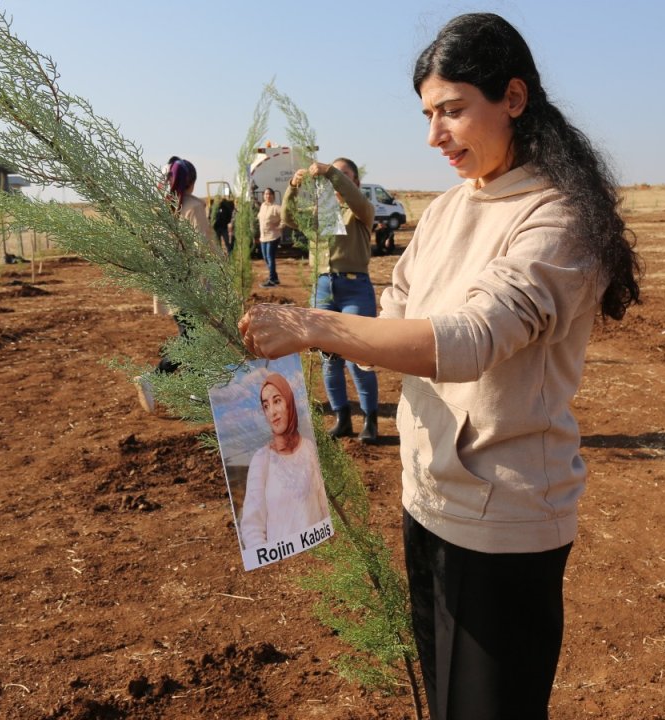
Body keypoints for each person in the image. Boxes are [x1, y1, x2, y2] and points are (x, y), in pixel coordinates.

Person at [239, 12, 641, 719]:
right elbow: (397, 319)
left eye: (453, 110)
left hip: (503, 522)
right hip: (428, 501)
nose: (435, 135)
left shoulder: (556, 217)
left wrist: (312, 325)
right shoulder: (450, 209)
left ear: (513, 98)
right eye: (428, 114)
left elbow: (470, 338)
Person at [282, 157, 380, 442]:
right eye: (335, 177)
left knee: (357, 358)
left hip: (355, 288)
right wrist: (293, 186)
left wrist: (332, 173)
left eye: (346, 176)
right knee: (329, 360)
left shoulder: (362, 211)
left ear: (355, 183)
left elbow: (352, 195)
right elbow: (288, 217)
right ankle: (342, 418)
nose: (337, 182)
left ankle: (370, 420)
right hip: (323, 288)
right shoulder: (321, 213)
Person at [138, 156, 215, 413]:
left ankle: (195, 390)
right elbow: (203, 249)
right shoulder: (193, 206)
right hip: (192, 284)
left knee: (192, 335)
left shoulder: (160, 208)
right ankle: (154, 378)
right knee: (191, 339)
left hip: (170, 283)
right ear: (190, 182)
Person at [238, 372, 326, 549]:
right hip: (281, 566)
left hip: (320, 559)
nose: (273, 412)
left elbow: (325, 508)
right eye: (266, 406)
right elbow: (252, 526)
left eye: (277, 401)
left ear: (289, 403)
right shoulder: (262, 459)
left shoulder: (309, 449)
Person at [257, 187, 283, 286]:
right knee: (265, 258)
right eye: (266, 194)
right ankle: (275, 278)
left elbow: (284, 218)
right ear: (264, 196)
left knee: (270, 257)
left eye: (269, 194)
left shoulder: (277, 207)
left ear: (273, 196)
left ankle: (272, 280)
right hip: (263, 237)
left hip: (273, 236)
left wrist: (280, 226)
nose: (267, 196)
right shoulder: (263, 205)